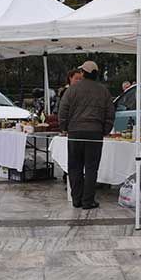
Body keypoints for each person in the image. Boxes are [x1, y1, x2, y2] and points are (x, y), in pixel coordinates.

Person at [58, 60, 115, 210]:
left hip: (75, 132)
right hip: (95, 133)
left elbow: (63, 110)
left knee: (74, 167)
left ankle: (76, 199)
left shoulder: (72, 89)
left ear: (83, 73)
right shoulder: (103, 91)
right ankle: (88, 201)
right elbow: (110, 113)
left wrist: (64, 128)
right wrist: (105, 130)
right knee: (91, 168)